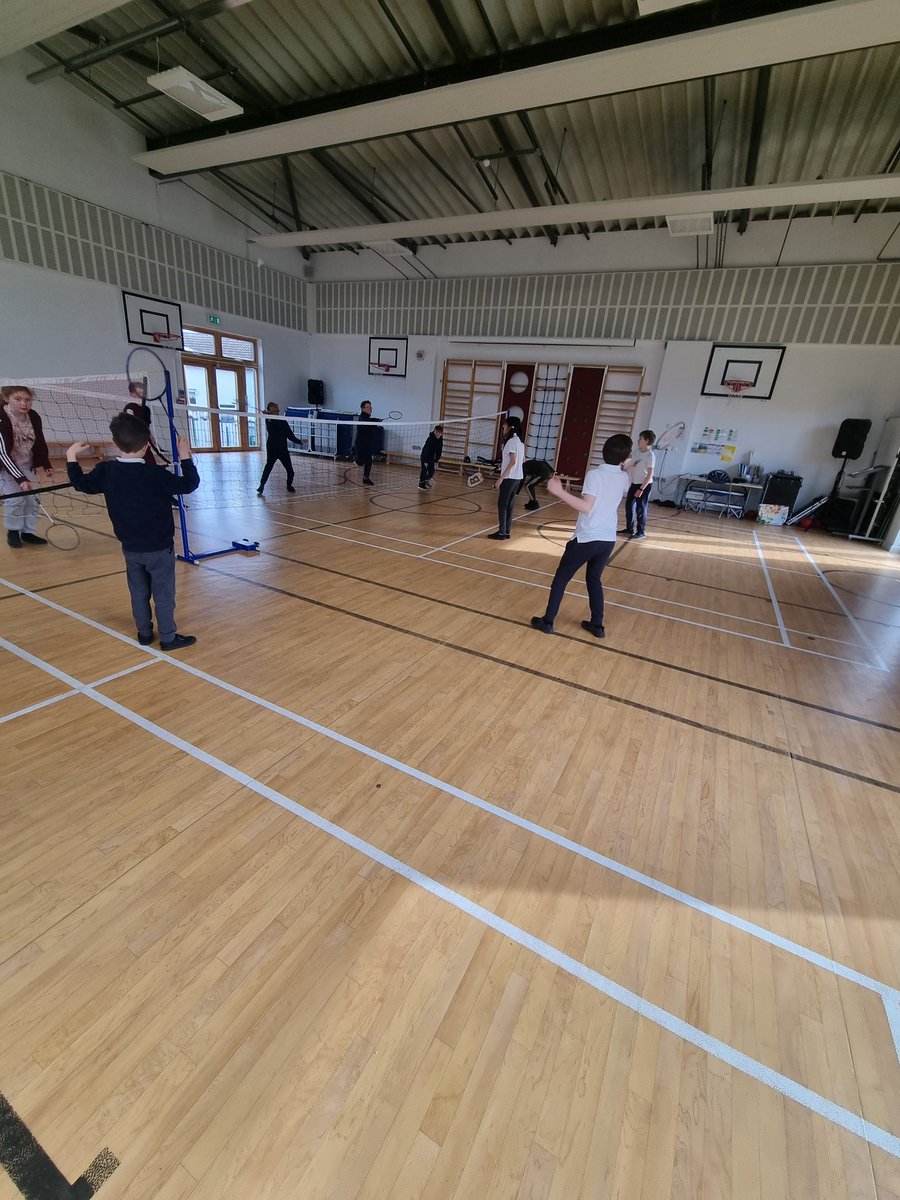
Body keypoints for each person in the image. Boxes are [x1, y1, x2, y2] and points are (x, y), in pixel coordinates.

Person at [66, 413, 200, 651]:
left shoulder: (105, 471)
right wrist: (185, 456)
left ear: (115, 443)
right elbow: (189, 484)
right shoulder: (156, 475)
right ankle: (168, 638)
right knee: (163, 595)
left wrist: (71, 456)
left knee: (138, 592)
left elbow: (81, 484)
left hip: (130, 548)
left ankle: (145, 633)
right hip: (159, 549)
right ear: (147, 445)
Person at [531, 433, 632, 638]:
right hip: (607, 540)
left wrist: (559, 492)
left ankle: (548, 621)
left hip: (587, 538)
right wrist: (626, 464)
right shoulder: (624, 478)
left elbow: (586, 507)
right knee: (594, 579)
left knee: (561, 578)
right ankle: (597, 625)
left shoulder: (595, 474)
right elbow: (626, 472)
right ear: (625, 458)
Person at [1, 385, 54, 548]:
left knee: (34, 499)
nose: (24, 404)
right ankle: (13, 532)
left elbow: (39, 441)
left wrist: (45, 463)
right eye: (18, 399)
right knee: (15, 498)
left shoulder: (34, 416)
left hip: (26, 463)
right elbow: (2, 453)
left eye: (28, 400)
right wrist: (20, 479)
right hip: (3, 466)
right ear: (6, 399)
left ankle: (27, 532)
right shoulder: (2, 418)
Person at [487, 416, 525, 540]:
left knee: (502, 504)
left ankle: (502, 532)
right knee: (509, 505)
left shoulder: (510, 442)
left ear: (509, 427)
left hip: (509, 479)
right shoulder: (520, 442)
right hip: (518, 478)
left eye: (504, 426)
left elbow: (513, 461)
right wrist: (502, 465)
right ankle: (506, 531)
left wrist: (500, 478)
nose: (503, 428)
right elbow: (521, 460)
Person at [257, 402, 306, 495]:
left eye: (277, 409)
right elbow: (271, 429)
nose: (278, 411)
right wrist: (268, 416)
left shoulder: (283, 421)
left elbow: (290, 435)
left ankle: (289, 485)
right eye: (275, 410)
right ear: (270, 411)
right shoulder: (269, 420)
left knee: (290, 471)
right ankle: (261, 486)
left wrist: (299, 441)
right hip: (272, 448)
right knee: (268, 467)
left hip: (283, 449)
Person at [619, 429, 656, 539]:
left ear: (647, 441)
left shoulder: (650, 456)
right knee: (629, 506)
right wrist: (622, 463)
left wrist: (641, 489)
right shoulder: (638, 451)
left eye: (640, 439)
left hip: (644, 485)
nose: (638, 440)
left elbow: (650, 475)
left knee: (641, 509)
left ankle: (641, 531)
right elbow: (630, 458)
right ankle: (629, 529)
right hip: (635, 483)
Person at [354, 400, 381, 485]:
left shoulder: (368, 418)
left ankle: (366, 478)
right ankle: (353, 452)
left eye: (370, 407)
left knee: (369, 462)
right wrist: (376, 420)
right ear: (362, 409)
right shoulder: (362, 418)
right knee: (360, 463)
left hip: (367, 444)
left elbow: (370, 422)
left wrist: (377, 421)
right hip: (360, 444)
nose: (370, 409)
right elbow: (368, 421)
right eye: (368, 407)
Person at [418, 424, 443, 490]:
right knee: (424, 470)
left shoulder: (440, 439)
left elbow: (439, 450)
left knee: (431, 471)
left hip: (431, 457)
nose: (437, 434)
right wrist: (425, 461)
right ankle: (421, 485)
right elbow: (426, 450)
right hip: (425, 456)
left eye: (439, 433)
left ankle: (426, 481)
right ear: (434, 431)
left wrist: (437, 459)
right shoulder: (430, 439)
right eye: (436, 432)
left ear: (441, 433)